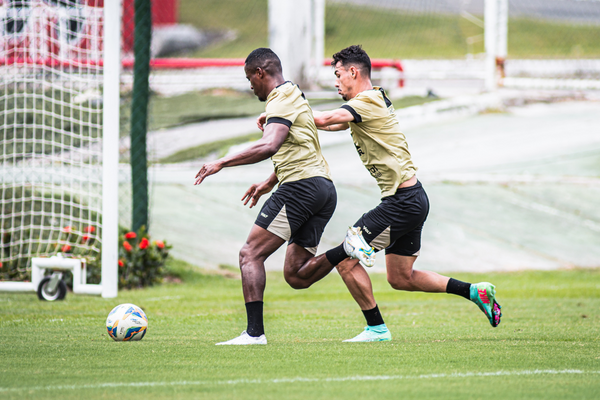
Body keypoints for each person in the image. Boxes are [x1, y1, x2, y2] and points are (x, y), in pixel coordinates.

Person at [309, 45, 503, 342]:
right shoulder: (367, 104)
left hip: (402, 202)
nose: (335, 82)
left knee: (347, 260)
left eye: (337, 75)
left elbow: (323, 120)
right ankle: (474, 291)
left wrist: (286, 113)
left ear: (353, 72)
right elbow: (329, 124)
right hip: (411, 199)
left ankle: (376, 328)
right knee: (401, 277)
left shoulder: (367, 100)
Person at [195, 48, 344, 345]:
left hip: (301, 188)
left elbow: (270, 145)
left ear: (260, 73)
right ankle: (347, 249)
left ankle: (254, 334)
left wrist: (221, 162)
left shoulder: (280, 98)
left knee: (249, 254)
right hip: (323, 188)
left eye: (250, 78)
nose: (250, 85)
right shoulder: (295, 96)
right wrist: (268, 181)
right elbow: (297, 146)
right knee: (296, 274)